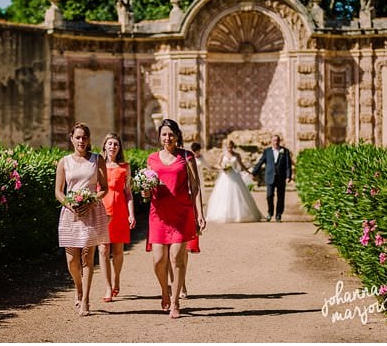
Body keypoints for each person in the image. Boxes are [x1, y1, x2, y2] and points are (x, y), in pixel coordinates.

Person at [142, 119, 205, 319]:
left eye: (171, 134)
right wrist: (144, 192)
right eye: (164, 134)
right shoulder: (151, 158)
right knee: (158, 260)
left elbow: (195, 187)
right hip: (158, 214)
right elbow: (147, 189)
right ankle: (164, 290)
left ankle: (175, 301)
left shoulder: (186, 157)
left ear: (177, 136)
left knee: (177, 258)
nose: (167, 138)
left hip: (181, 213)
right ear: (159, 137)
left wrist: (200, 213)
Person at [54, 122, 109, 316]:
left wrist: (91, 201)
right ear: (71, 139)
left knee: (87, 257)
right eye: (77, 137)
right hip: (71, 214)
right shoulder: (64, 162)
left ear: (88, 139)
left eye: (84, 137)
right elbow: (59, 192)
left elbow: (104, 187)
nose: (81, 141)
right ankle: (78, 287)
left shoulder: (97, 159)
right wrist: (70, 204)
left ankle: (85, 299)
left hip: (91, 211)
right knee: (72, 261)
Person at [99, 133, 135, 303]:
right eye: (110, 144)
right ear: (104, 146)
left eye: (116, 144)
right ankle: (107, 286)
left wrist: (131, 214)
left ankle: (117, 279)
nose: (113, 147)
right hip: (102, 211)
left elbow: (128, 193)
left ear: (119, 148)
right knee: (103, 250)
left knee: (118, 251)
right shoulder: (98, 166)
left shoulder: (125, 167)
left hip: (120, 211)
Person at [206, 140, 264, 223]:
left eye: (231, 147)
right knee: (223, 195)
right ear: (226, 147)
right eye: (228, 147)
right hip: (225, 176)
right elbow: (218, 163)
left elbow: (241, 165)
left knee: (238, 194)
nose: (230, 149)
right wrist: (223, 167)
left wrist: (249, 173)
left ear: (233, 147)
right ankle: (223, 214)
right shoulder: (223, 154)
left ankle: (239, 214)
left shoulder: (237, 155)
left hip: (234, 175)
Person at [251, 135, 292, 222]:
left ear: (279, 141)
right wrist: (254, 172)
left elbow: (288, 165)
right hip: (270, 177)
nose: (276, 142)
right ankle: (270, 213)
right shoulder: (267, 151)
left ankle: (278, 215)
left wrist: (288, 176)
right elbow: (260, 162)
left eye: (277, 140)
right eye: (274, 141)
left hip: (281, 177)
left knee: (281, 197)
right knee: (269, 196)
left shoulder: (285, 151)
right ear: (271, 141)